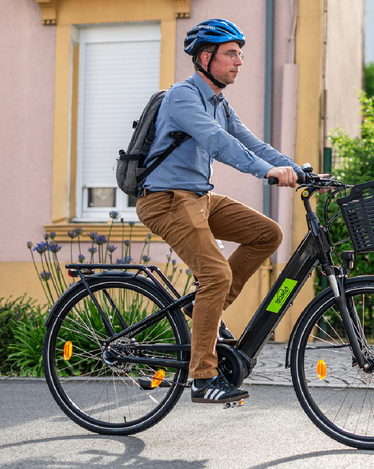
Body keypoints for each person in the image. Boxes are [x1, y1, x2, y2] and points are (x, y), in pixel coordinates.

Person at [136, 18, 302, 404]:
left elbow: (252, 144)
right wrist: (267, 173)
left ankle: (204, 311)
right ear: (205, 58)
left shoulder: (219, 103)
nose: (238, 61)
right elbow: (218, 142)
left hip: (197, 197)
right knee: (215, 272)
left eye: (240, 55)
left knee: (267, 234)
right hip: (165, 199)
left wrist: (299, 169)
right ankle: (202, 378)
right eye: (231, 54)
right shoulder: (183, 96)